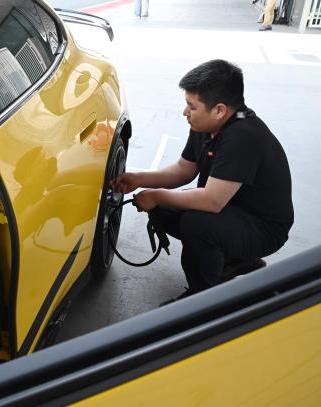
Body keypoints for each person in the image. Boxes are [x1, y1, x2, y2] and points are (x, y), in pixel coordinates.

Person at [111, 59, 293, 302]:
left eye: (191, 106)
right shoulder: (205, 125)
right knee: (165, 209)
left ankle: (202, 300)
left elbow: (212, 201)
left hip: (263, 228)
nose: (185, 112)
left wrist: (156, 196)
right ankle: (233, 260)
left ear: (219, 110)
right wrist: (139, 179)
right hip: (232, 211)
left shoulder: (243, 137)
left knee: (197, 223)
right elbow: (184, 170)